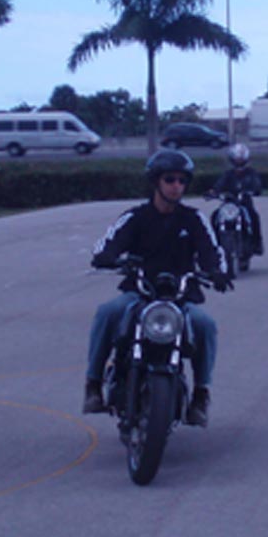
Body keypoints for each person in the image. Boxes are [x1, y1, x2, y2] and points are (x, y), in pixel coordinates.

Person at [84, 149, 232, 427]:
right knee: (107, 312)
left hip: (180, 298)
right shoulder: (136, 217)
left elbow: (212, 251)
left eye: (182, 181)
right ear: (156, 182)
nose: (177, 186)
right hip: (139, 294)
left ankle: (201, 394)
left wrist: (218, 272)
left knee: (205, 325)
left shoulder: (194, 219)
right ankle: (92, 385)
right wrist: (106, 257)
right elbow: (108, 244)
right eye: (170, 179)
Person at [207, 143, 264, 255]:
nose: (239, 163)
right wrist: (214, 192)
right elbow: (220, 184)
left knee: (254, 216)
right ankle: (213, 244)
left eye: (241, 160)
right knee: (215, 216)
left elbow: (257, 184)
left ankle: (257, 243)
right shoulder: (228, 174)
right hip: (229, 203)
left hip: (244, 203)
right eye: (236, 160)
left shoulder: (251, 173)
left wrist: (255, 190)